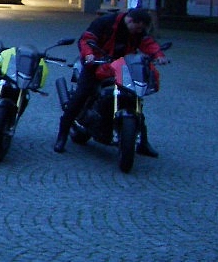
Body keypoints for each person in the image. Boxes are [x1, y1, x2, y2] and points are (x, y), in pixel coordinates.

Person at [53, 8, 167, 155]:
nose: (139, 31)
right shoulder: (105, 22)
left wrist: (158, 55)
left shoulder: (138, 31)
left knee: (135, 97)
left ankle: (142, 142)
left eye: (141, 29)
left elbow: (147, 42)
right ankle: (62, 135)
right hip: (97, 64)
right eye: (138, 28)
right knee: (81, 95)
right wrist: (89, 55)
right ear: (130, 20)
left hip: (123, 66)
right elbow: (87, 39)